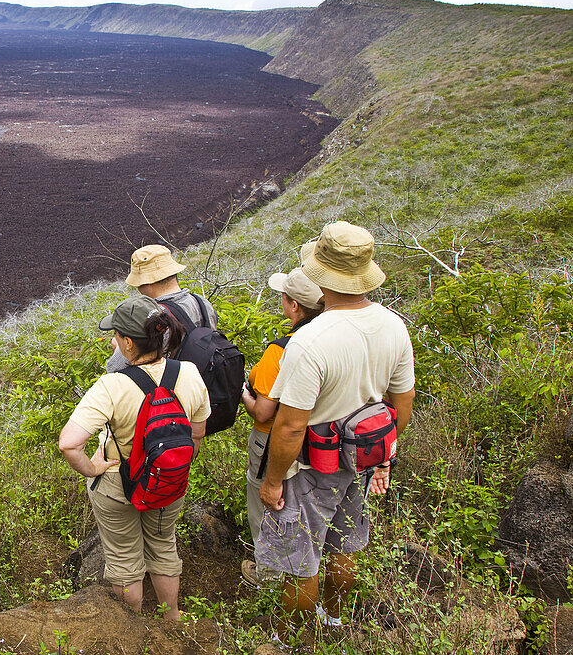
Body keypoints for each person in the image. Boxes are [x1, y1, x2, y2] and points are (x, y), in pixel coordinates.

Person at [257, 222, 415, 647]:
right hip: (361, 459)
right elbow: (402, 403)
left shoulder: (310, 341)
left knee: (300, 558)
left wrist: (273, 481)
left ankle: (287, 639)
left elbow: (290, 425)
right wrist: (383, 457)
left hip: (312, 464)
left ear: (321, 276)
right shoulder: (393, 325)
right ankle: (334, 619)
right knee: (346, 542)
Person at [58, 294, 211, 620]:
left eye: (115, 335)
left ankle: (133, 626)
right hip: (168, 481)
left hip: (117, 483)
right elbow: (197, 434)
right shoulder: (190, 373)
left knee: (125, 558)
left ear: (127, 343)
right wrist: (171, 464)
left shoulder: (111, 386)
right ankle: (172, 619)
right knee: (163, 545)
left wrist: (94, 468)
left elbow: (69, 444)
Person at [240, 267, 323, 587]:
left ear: (294, 307)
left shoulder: (280, 349)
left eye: (285, 298)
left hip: (274, 439)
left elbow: (263, 412)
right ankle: (307, 566)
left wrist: (244, 394)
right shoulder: (328, 337)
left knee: (265, 504)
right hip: (321, 440)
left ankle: (269, 576)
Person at [106, 244, 218, 373]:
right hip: (207, 383)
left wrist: (121, 347)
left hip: (173, 389)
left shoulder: (151, 317)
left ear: (146, 282)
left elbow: (115, 369)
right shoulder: (202, 302)